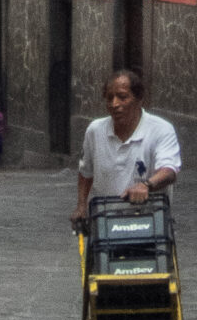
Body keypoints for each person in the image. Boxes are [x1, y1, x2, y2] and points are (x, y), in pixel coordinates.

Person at [73, 69, 181, 222]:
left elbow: (169, 171)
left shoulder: (161, 129)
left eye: (122, 97)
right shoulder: (95, 130)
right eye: (109, 98)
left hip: (149, 222)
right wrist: (81, 206)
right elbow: (86, 172)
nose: (114, 104)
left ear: (139, 99)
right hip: (105, 223)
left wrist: (146, 186)